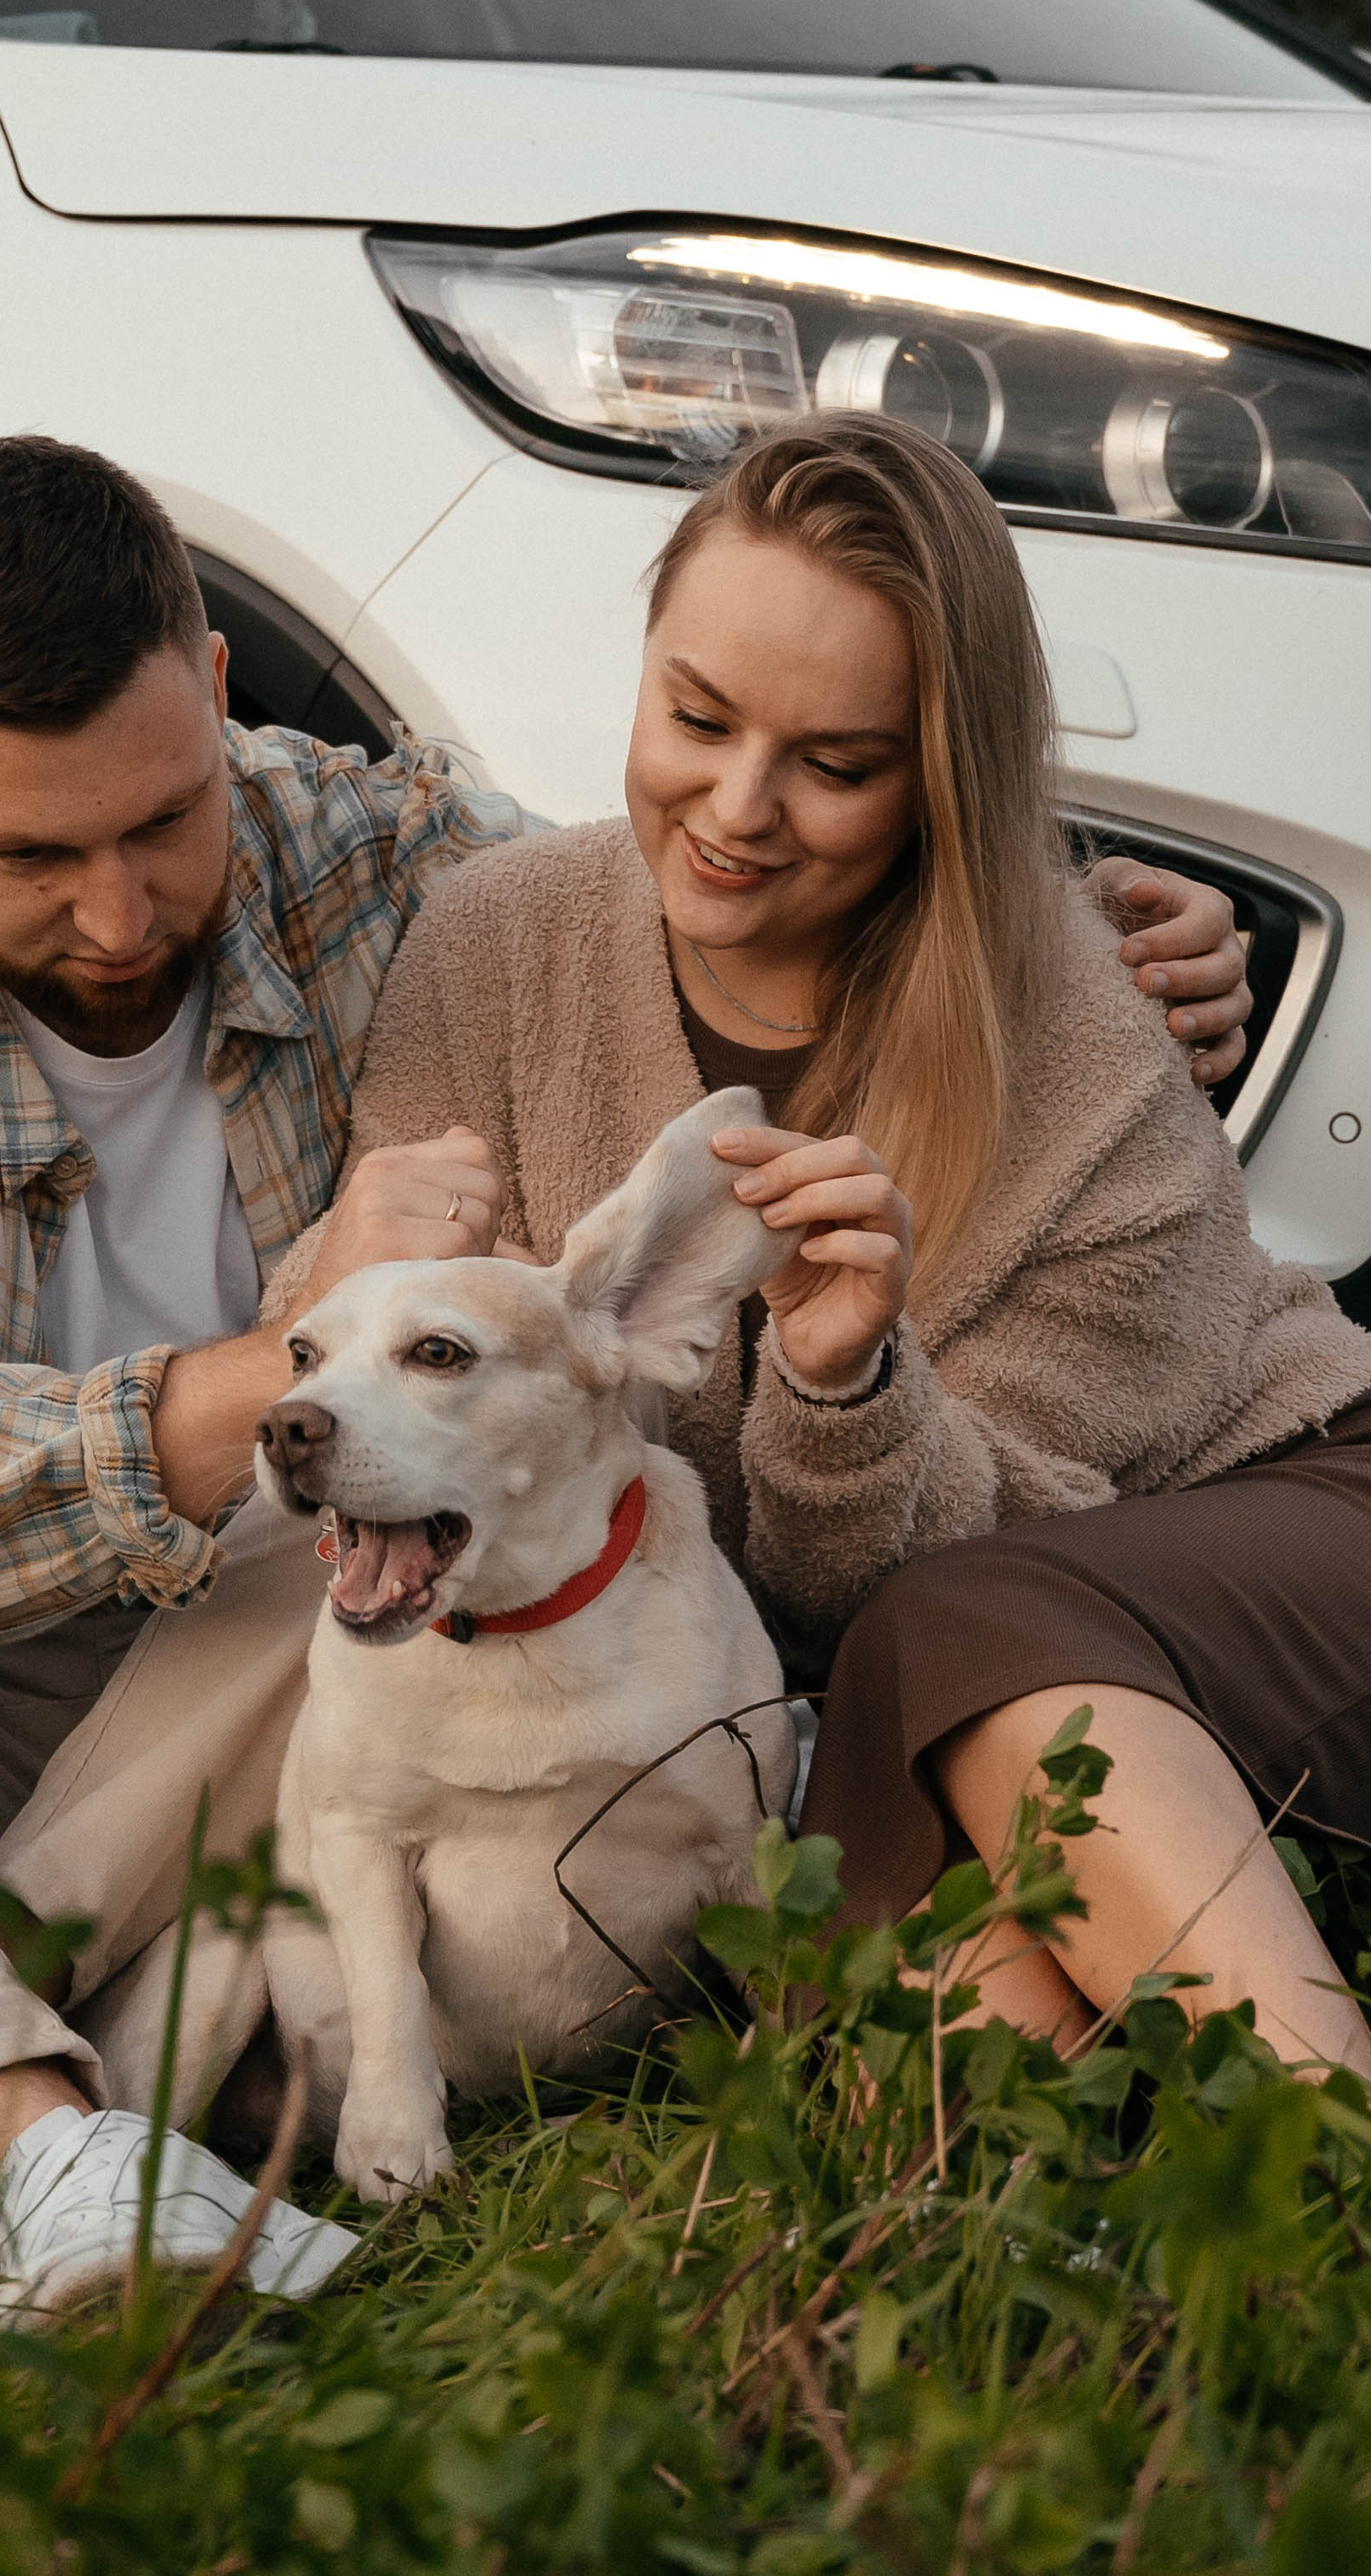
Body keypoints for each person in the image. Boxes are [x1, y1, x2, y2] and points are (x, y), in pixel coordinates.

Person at [0, 432, 1254, 2310]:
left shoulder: (366, 849)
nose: (120, 910)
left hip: (293, 1654)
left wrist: (1061, 922)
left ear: (217, 695)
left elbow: (701, 883)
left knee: (373, 1546)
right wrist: (245, 1388)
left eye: (162, 820)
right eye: (30, 854)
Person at [299, 409, 1371, 2081]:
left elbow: (944, 1571)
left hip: (1268, 1533)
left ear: (935, 776)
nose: (735, 807)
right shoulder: (495, 940)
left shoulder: (1084, 1038)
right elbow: (401, 1390)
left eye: (837, 764)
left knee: (950, 1628)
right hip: (858, 1688)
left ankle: (1329, 2141)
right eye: (694, 715)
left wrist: (840, 1386)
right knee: (927, 2021)